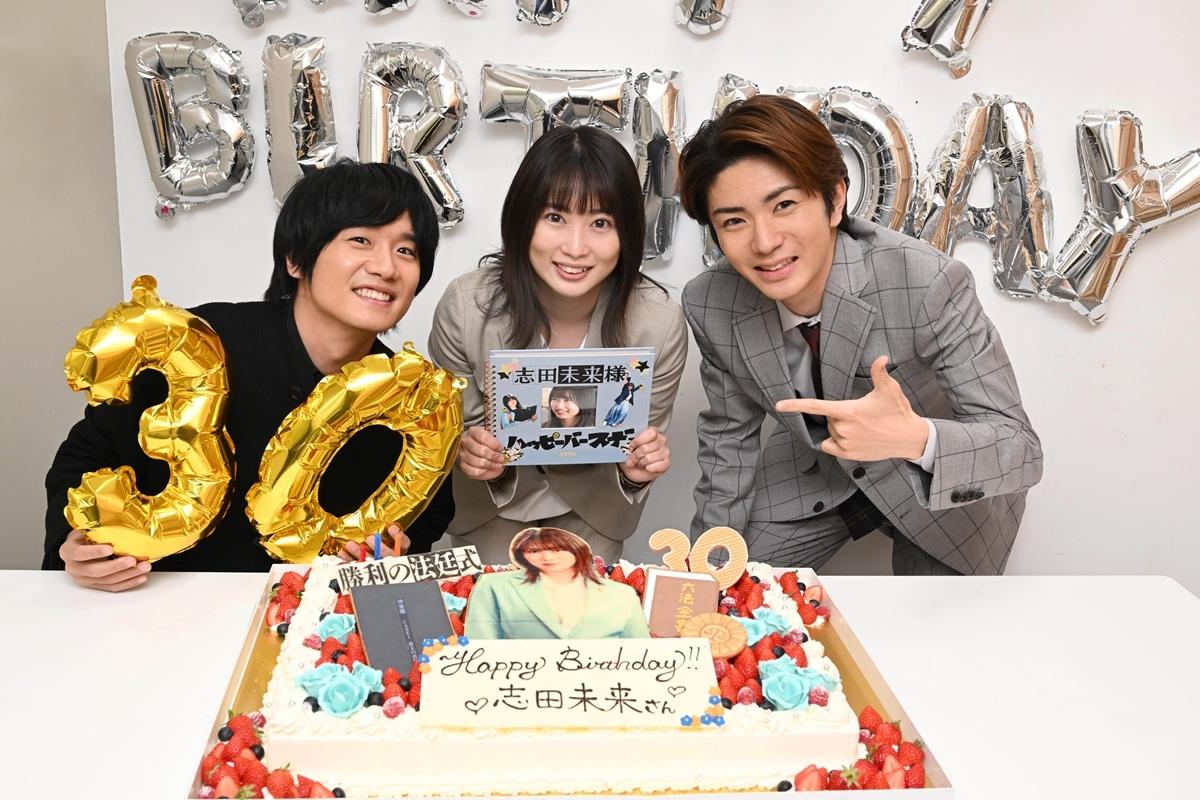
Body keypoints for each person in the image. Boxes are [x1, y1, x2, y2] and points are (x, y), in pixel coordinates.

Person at [44, 160, 454, 590]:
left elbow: (428, 511)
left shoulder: (409, 395)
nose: (386, 268)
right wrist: (75, 543)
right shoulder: (199, 348)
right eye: (361, 240)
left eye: (406, 251)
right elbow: (84, 458)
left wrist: (387, 550)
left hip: (309, 618)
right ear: (295, 259)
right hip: (161, 605)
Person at [676, 95, 1043, 575]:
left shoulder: (928, 281)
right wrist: (705, 576)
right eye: (734, 221)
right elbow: (729, 441)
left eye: (784, 205)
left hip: (938, 480)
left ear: (834, 200)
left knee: (932, 624)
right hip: (815, 472)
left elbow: (1021, 449)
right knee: (736, 597)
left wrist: (915, 438)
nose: (764, 242)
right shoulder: (711, 302)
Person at [428, 126, 688, 564]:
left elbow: (637, 446)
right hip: (493, 505)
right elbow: (456, 438)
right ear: (522, 217)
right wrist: (474, 453)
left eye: (600, 223)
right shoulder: (466, 307)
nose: (576, 247)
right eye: (555, 217)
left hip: (595, 510)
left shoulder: (658, 322)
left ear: (627, 230)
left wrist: (637, 471)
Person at [465, 526, 649, 640]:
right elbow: (480, 647)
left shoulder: (622, 594)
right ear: (522, 556)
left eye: (557, 549)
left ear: (577, 550)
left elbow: (641, 656)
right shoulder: (493, 586)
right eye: (534, 551)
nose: (547, 557)